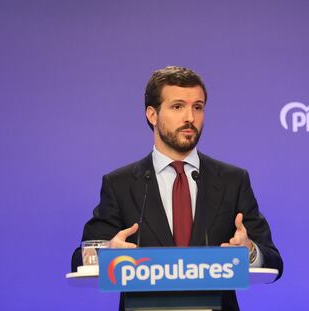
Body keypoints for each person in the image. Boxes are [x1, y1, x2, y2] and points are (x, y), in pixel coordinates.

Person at [72, 66, 283, 310]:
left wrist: (249, 251)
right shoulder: (120, 184)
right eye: (177, 106)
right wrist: (108, 253)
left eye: (198, 107)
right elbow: (80, 259)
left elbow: (274, 262)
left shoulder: (232, 180)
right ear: (152, 115)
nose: (190, 118)